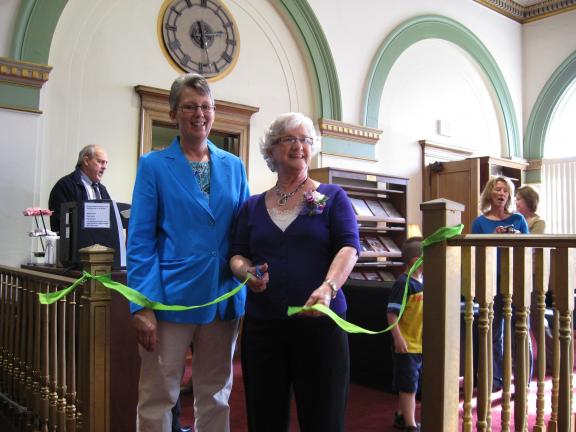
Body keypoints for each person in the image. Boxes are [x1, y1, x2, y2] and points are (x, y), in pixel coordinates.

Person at [127, 73, 250, 432]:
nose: (200, 114)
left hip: (222, 297)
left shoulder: (234, 165)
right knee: (158, 395)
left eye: (206, 106)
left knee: (215, 394)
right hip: (169, 301)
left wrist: (251, 270)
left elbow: (242, 232)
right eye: (191, 106)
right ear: (173, 114)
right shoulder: (153, 165)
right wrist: (142, 304)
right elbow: (140, 239)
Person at [229, 112, 360, 431]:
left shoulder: (332, 198)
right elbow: (236, 255)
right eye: (290, 138)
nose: (299, 145)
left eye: (306, 140)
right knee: (265, 418)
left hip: (320, 328)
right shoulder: (252, 206)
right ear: (271, 149)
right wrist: (247, 272)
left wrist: (328, 288)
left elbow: (349, 247)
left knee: (323, 419)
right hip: (264, 329)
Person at [471, 176, 529, 392]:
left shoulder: (518, 220)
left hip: (516, 282)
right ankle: (496, 380)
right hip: (490, 282)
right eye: (498, 189)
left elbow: (528, 249)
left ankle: (523, 379)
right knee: (494, 332)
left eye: (506, 190)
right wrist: (492, 238)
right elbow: (475, 254)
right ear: (490, 193)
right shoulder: (480, 222)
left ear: (510, 196)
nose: (502, 193)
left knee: (520, 331)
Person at [386, 237, 424, 432]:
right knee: (408, 386)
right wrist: (398, 338)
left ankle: (401, 416)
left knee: (411, 383)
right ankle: (410, 425)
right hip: (407, 345)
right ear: (416, 260)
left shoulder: (423, 282)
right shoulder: (404, 283)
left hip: (420, 344)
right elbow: (392, 313)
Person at [48, 144, 110, 232]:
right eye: (100, 162)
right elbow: (58, 224)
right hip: (75, 244)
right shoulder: (64, 186)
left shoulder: (102, 190)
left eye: (106, 163)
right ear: (86, 161)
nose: (104, 167)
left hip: (101, 244)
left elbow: (110, 221)